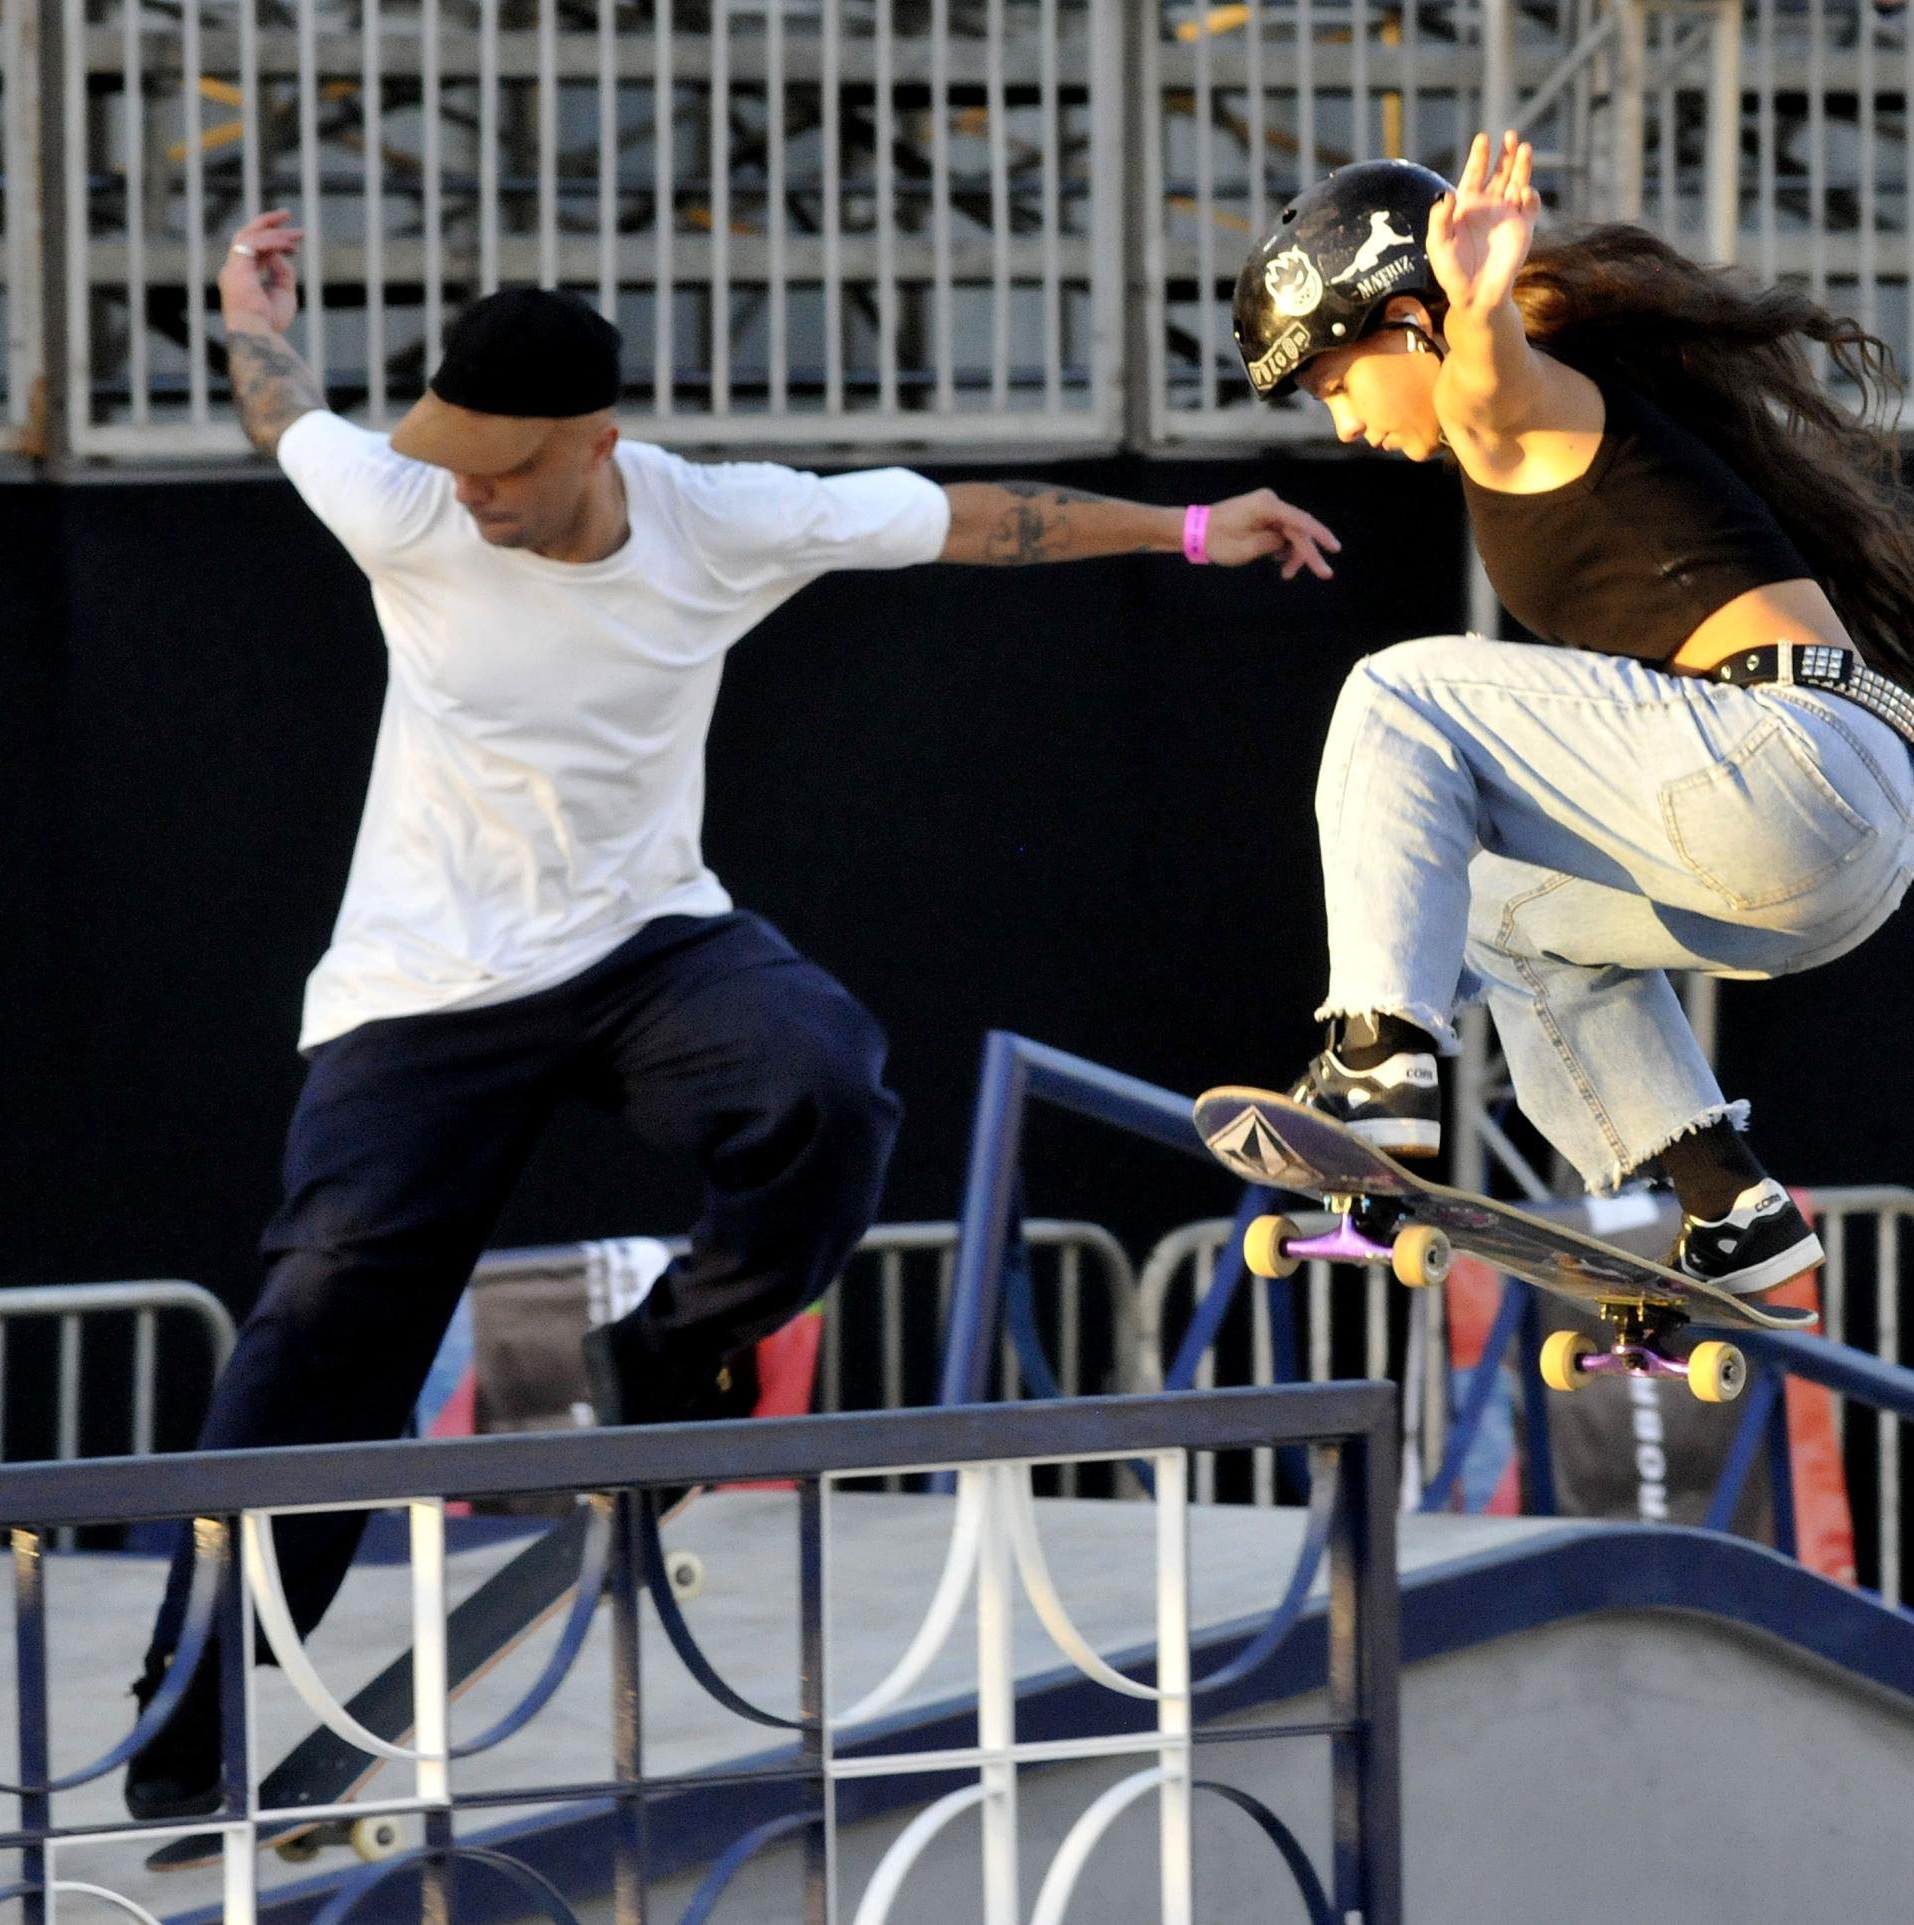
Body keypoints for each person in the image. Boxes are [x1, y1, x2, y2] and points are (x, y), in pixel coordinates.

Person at [124, 208, 1342, 1819]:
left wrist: (1185, 534)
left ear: (595, 444)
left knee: (823, 1082)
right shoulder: (403, 508)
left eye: (500, 466)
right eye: (452, 460)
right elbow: (292, 421)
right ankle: (191, 1695)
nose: (467, 493)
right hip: (420, 989)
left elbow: (969, 520)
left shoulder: (719, 518)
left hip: (646, 946)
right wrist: (246, 319)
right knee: (316, 1324)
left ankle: (680, 1355)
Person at [1231, 136, 1914, 1295]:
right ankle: (1733, 1210)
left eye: (1336, 385)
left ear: (1407, 325)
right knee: (1490, 909)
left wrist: (1478, 300)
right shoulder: (1583, 416)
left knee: (1394, 691)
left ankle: (1379, 1070)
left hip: (1782, 765)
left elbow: (1489, 378)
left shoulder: (1504, 404)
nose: (1344, 429)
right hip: (1833, 844)